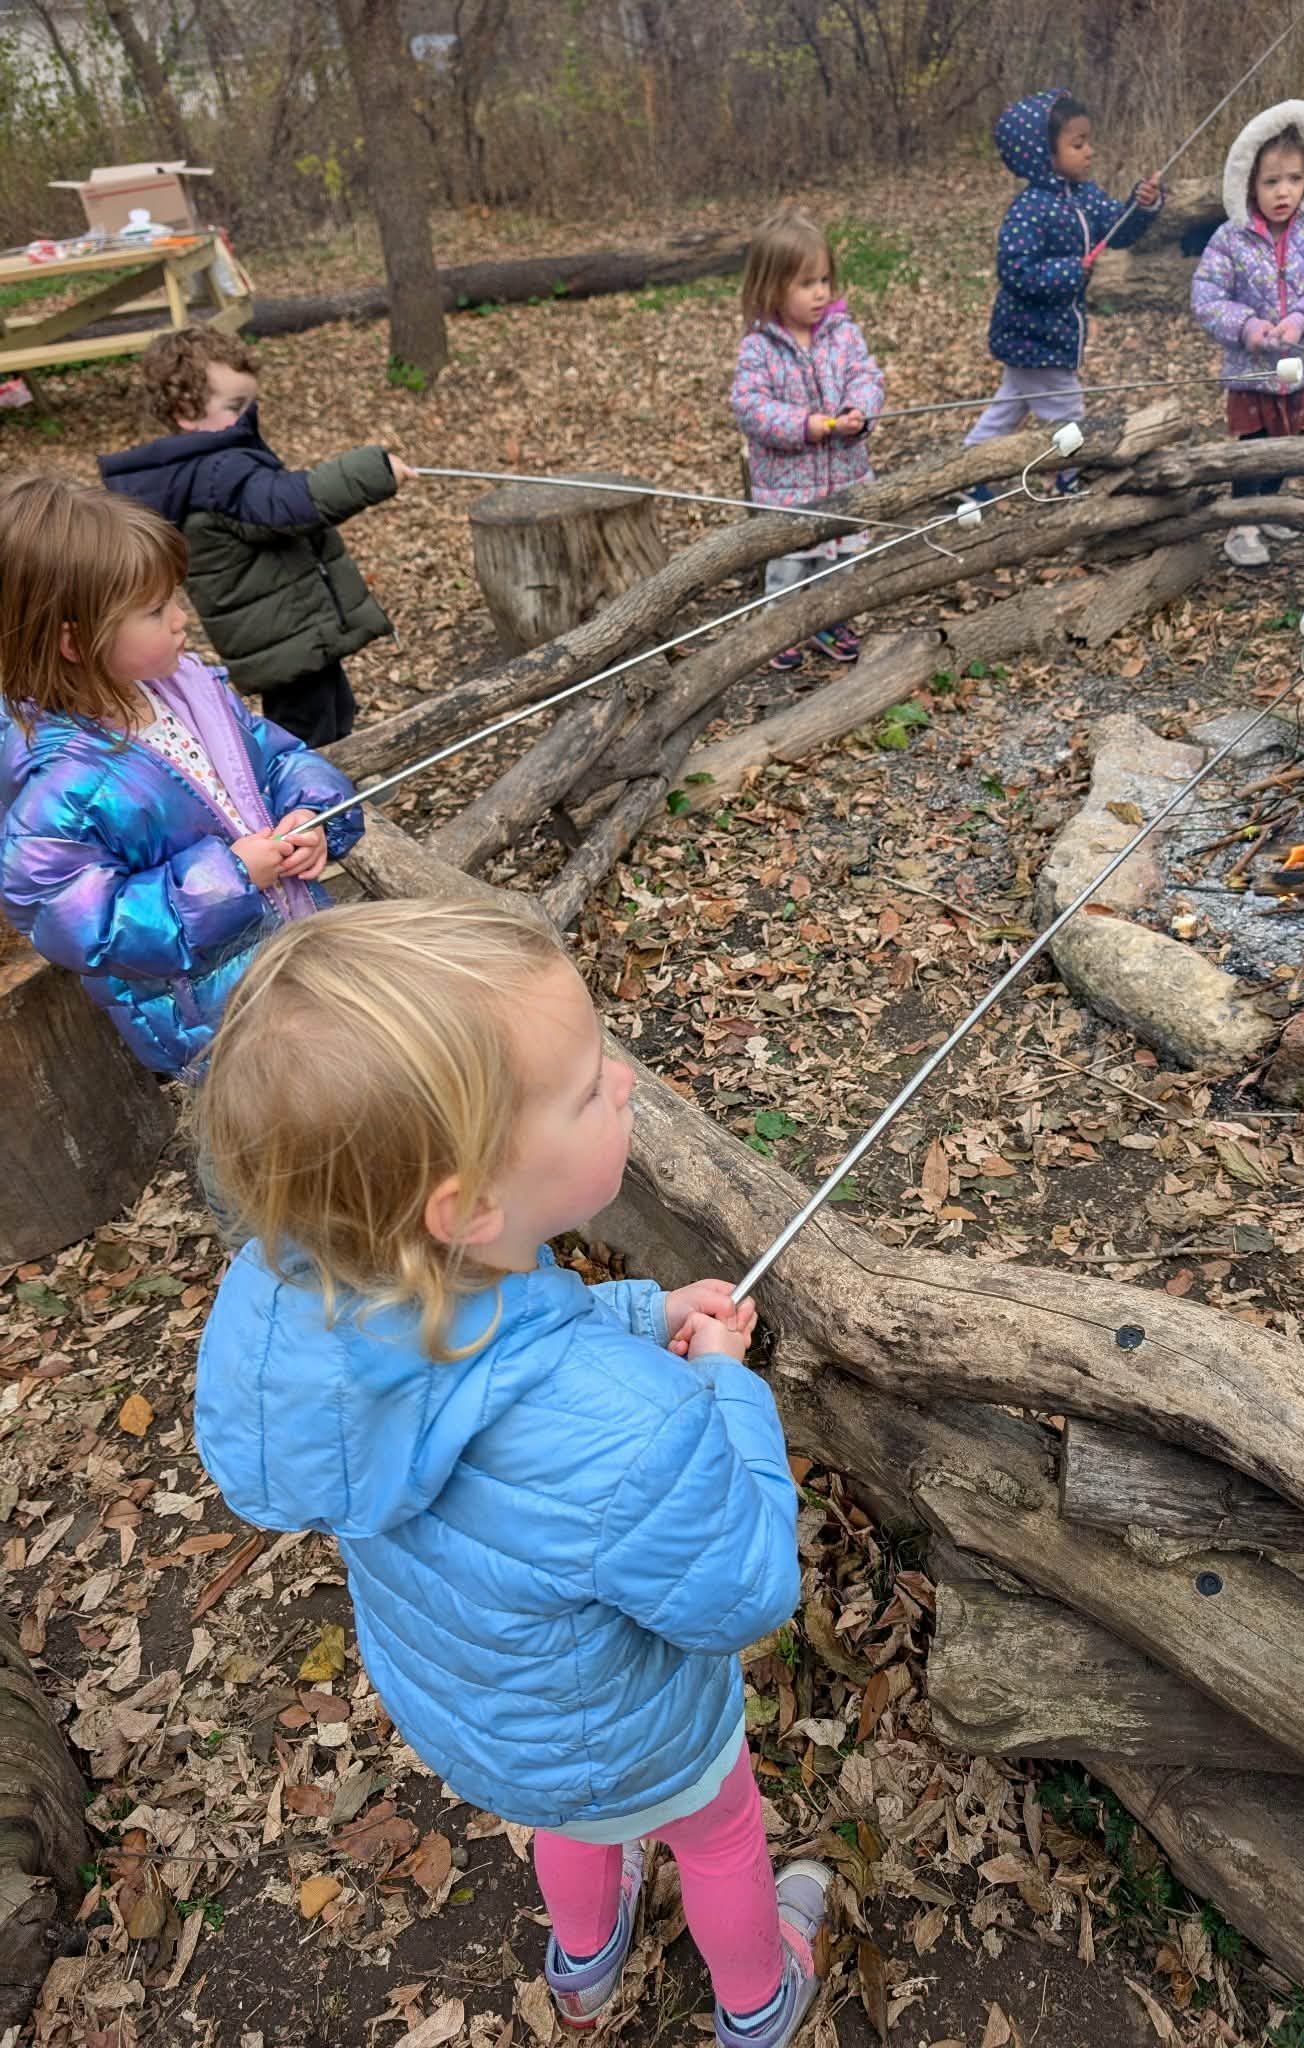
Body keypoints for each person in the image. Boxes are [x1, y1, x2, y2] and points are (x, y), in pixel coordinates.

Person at [192, 897, 832, 2045]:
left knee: (572, 1822)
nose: (626, 1080)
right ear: (472, 1205)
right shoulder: (636, 1428)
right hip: (636, 1730)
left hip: (488, 1720)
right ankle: (759, 2001)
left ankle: (583, 1961)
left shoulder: (312, 1302)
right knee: (723, 1831)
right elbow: (747, 1586)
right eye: (590, 1084)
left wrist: (633, 1312)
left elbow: (485, 1346)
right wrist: (728, 1384)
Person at [0, 474, 361, 1077]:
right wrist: (231, 878)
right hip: (220, 1021)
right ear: (74, 639)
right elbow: (77, 924)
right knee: (264, 1151)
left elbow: (275, 758)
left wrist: (311, 812)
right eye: (154, 610)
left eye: (174, 598)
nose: (180, 621)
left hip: (298, 956)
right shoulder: (59, 781)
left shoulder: (184, 691)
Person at [99, 326, 413, 746]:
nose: (248, 416)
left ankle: (340, 776)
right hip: (280, 634)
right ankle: (312, 800)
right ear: (185, 412)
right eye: (234, 405)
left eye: (251, 403)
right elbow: (286, 505)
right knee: (306, 726)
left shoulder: (208, 463)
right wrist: (373, 472)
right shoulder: (217, 471)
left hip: (291, 627)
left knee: (334, 708)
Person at [965, 90, 1162, 493]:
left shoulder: (1084, 196)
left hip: (1051, 332)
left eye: (1088, 141)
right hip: (1034, 333)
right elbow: (1016, 271)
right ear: (1044, 154)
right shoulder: (1029, 209)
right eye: (1077, 144)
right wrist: (1071, 269)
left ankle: (968, 468)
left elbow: (1116, 228)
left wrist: (1142, 205)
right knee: (1066, 409)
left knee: (1009, 406)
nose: (1089, 151)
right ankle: (1068, 478)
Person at [1191, 99, 1304, 567]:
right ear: (1249, 183)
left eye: (1294, 179)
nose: (1283, 192)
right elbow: (1207, 297)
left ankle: (1271, 507)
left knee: (1290, 439)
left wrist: (1302, 318)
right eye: (1271, 182)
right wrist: (1248, 327)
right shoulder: (1230, 237)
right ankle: (1244, 521)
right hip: (1251, 368)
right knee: (1255, 444)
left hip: (1302, 361)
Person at [731, 206, 885, 672]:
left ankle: (829, 620)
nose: (820, 293)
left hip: (845, 479)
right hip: (789, 489)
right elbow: (750, 407)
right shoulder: (760, 347)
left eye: (823, 280)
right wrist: (803, 424)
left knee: (842, 561)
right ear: (770, 288)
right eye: (805, 284)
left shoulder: (842, 334)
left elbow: (867, 376)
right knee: (790, 565)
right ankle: (776, 630)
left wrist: (858, 410)